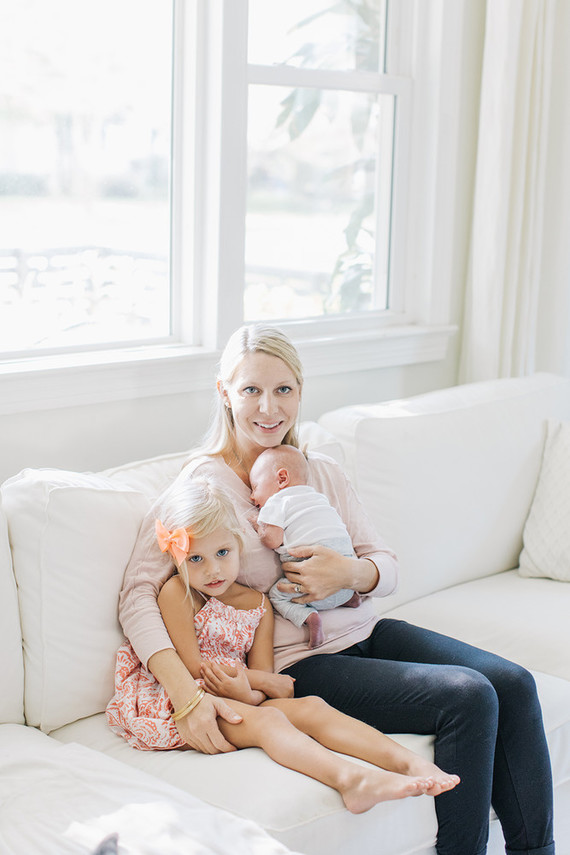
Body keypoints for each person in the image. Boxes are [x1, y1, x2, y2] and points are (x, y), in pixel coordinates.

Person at [119, 324, 555, 855]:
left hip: (369, 629)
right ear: (224, 393)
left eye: (284, 390)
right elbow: (138, 593)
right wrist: (186, 697)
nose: (268, 408)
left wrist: (349, 574)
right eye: (251, 389)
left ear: (300, 392)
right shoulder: (201, 488)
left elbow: (386, 565)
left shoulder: (319, 471)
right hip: (302, 660)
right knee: (468, 696)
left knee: (514, 682)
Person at [107, 479, 459, 813]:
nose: (213, 570)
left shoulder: (259, 604)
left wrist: (251, 689)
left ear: (238, 545)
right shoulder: (177, 594)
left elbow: (264, 691)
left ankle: (409, 762)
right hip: (180, 703)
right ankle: (351, 780)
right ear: (177, 558)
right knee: (269, 722)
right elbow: (197, 669)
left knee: (313, 707)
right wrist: (262, 684)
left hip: (232, 695)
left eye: (222, 552)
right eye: (195, 559)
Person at [250, 444, 361, 648]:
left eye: (255, 487)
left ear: (281, 479)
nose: (252, 496)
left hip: (309, 578)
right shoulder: (318, 497)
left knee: (277, 594)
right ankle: (349, 599)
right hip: (345, 577)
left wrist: (258, 523)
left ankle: (310, 618)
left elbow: (272, 540)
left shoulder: (276, 502)